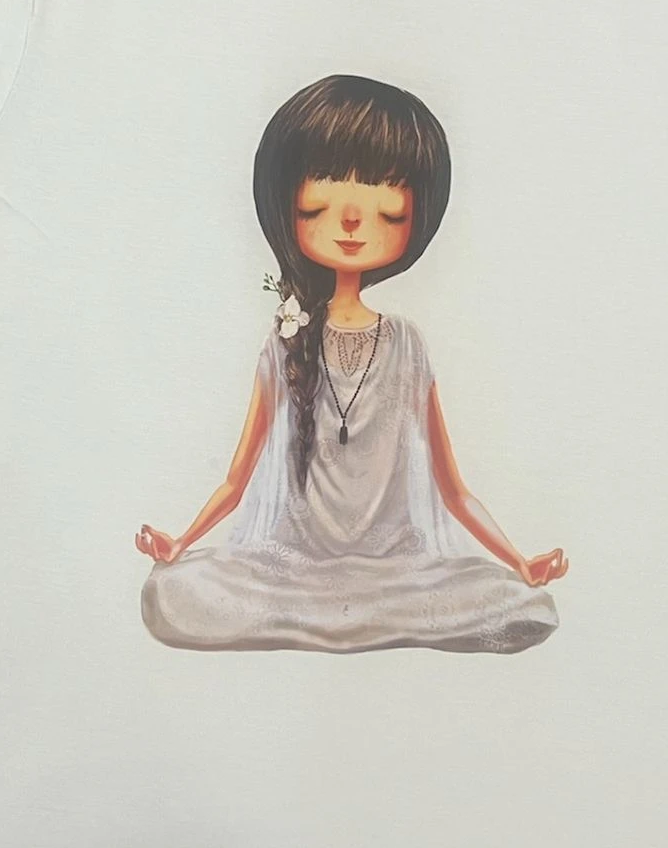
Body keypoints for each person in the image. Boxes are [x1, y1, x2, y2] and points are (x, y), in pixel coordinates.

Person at [137, 74, 567, 653]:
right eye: (324, 195)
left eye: (383, 202)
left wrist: (520, 562)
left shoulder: (406, 344)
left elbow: (454, 491)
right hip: (289, 569)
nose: (350, 218)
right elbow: (237, 480)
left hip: (395, 570)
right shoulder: (284, 341)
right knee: (175, 594)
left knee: (525, 604)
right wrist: (181, 544)